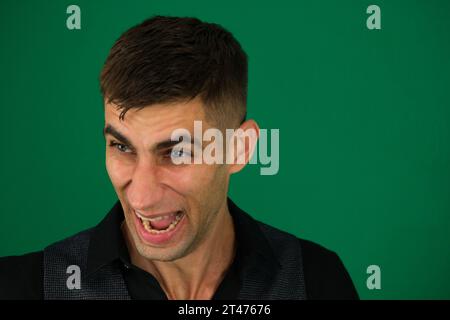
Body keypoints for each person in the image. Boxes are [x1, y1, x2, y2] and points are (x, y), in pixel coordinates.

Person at [0, 15, 358, 300]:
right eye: (122, 147)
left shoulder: (316, 282)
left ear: (240, 149)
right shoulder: (22, 288)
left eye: (178, 152)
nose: (141, 197)